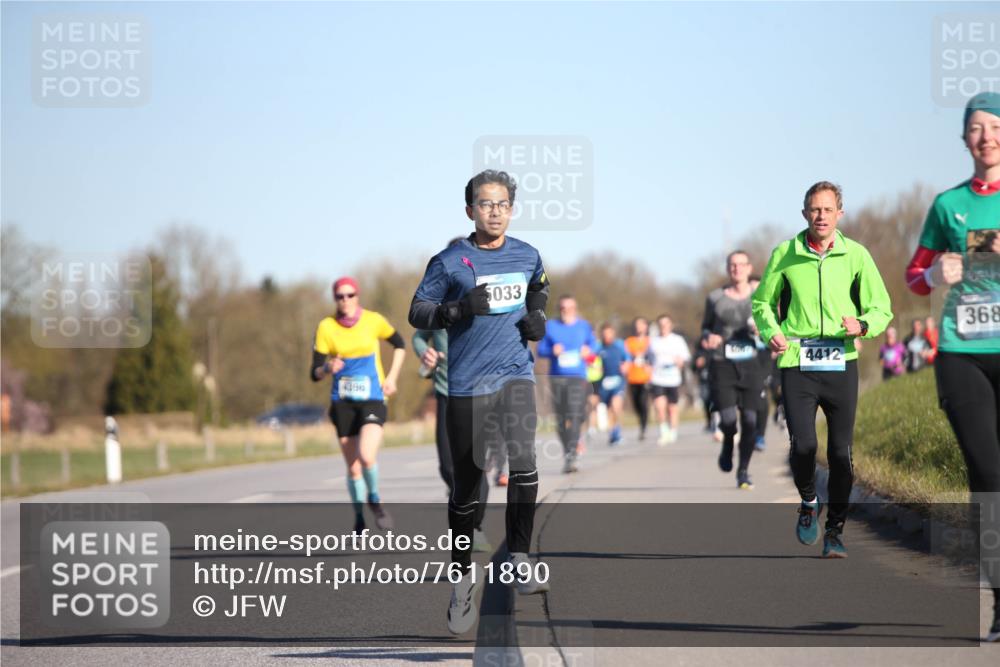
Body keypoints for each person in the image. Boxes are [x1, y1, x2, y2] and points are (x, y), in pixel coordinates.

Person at [409, 169, 550, 635]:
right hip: (468, 384)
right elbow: (418, 312)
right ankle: (461, 576)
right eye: (486, 204)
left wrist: (538, 318)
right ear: (470, 209)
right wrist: (456, 310)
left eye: (503, 204)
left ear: (512, 208)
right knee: (466, 489)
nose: (495, 211)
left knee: (525, 463)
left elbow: (538, 287)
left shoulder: (527, 254)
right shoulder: (449, 261)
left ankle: (522, 560)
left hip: (515, 375)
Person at [903, 91, 1000, 642]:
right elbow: (913, 277)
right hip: (963, 353)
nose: (985, 136)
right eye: (975, 128)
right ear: (964, 138)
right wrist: (937, 275)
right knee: (988, 477)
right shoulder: (948, 206)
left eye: (994, 126)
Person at [753, 181, 892, 558]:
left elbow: (882, 307)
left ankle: (835, 531)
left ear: (839, 214)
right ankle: (809, 500)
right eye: (814, 209)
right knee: (804, 446)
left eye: (828, 209)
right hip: (797, 362)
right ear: (804, 214)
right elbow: (761, 303)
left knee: (841, 453)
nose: (821, 216)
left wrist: (862, 325)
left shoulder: (857, 255)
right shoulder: (785, 253)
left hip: (840, 362)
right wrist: (773, 332)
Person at [412, 241, 491, 553]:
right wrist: (426, 352)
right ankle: (465, 510)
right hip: (446, 391)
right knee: (448, 467)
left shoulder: (484, 300)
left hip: (482, 392)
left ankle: (476, 526)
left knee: (475, 465)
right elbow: (419, 334)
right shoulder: (439, 304)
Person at [311, 276, 405, 534]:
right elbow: (314, 372)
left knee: (366, 455)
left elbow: (400, 344)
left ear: (357, 296)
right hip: (342, 403)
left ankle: (374, 498)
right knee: (352, 468)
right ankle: (359, 519)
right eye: (340, 296)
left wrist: (393, 378)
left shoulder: (373, 320)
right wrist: (328, 367)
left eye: (350, 295)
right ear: (335, 299)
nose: (345, 300)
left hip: (373, 398)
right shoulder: (326, 327)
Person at [701, 250, 768, 490]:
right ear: (727, 269)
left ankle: (743, 471)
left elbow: (774, 324)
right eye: (732, 265)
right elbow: (705, 329)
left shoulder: (761, 296)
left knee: (750, 420)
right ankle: (728, 440)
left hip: (751, 363)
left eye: (741, 265)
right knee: (729, 420)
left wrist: (764, 331)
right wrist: (708, 338)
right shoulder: (715, 298)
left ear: (750, 269)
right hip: (722, 363)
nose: (737, 269)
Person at [536, 295, 597, 473]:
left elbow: (594, 346)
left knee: (574, 413)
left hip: (578, 376)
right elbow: (541, 350)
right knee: (561, 418)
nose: (566, 311)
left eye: (569, 308)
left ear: (575, 309)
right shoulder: (551, 327)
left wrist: (589, 350)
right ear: (559, 309)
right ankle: (568, 451)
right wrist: (551, 350)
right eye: (563, 308)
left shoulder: (583, 326)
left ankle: (572, 454)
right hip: (557, 378)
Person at [648, 314, 690, 445]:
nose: (663, 327)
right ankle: (663, 431)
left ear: (670, 325)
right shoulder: (654, 341)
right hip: (657, 378)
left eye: (666, 324)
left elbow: (686, 356)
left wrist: (680, 361)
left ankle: (673, 431)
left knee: (672, 408)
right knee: (659, 406)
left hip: (673, 378)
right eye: (661, 324)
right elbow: (648, 358)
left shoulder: (677, 340)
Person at [596, 323, 631, 445]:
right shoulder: (598, 347)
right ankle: (613, 433)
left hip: (618, 380)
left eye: (609, 333)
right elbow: (591, 360)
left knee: (616, 405)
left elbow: (627, 358)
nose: (607, 336)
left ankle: (617, 432)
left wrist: (626, 365)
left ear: (613, 333)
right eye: (604, 334)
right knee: (608, 410)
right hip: (604, 382)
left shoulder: (619, 345)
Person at [624, 317, 653, 440]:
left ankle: (644, 427)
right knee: (636, 404)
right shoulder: (629, 342)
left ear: (646, 327)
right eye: (636, 325)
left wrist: (650, 365)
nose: (638, 327)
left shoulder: (650, 341)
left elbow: (655, 357)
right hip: (632, 377)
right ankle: (641, 421)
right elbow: (624, 357)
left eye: (641, 325)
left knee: (643, 401)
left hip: (645, 377)